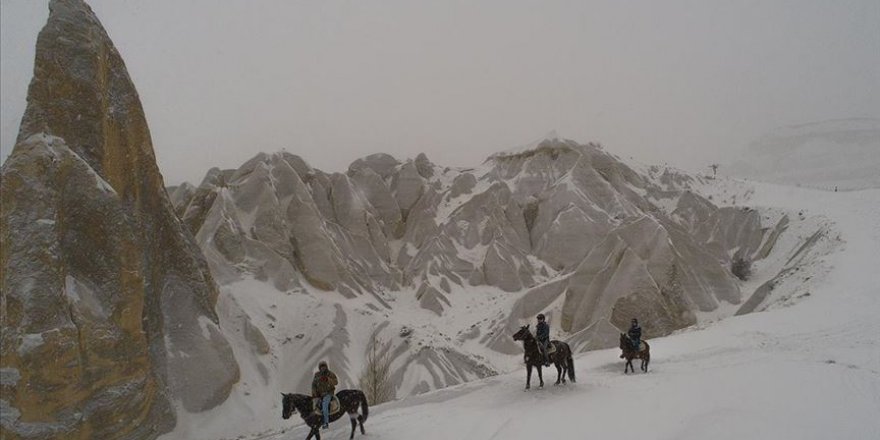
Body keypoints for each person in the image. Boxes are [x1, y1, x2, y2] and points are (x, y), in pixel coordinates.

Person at [312, 360, 338, 429]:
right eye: (321, 367)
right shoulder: (317, 375)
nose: (323, 368)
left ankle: (326, 423)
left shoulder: (330, 374)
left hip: (328, 393)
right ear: (319, 368)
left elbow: (336, 382)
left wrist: (328, 379)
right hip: (319, 395)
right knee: (315, 407)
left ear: (326, 367)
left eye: (324, 367)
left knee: (324, 406)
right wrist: (314, 394)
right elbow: (313, 385)